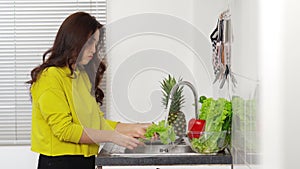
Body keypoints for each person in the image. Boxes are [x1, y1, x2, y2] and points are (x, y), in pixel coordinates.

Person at [27, 12, 151, 169]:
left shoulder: (81, 75)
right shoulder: (50, 76)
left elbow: (96, 123)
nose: (93, 50)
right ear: (73, 40)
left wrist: (135, 128)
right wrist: (113, 137)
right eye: (89, 43)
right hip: (60, 163)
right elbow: (64, 130)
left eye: (96, 44)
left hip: (85, 161)